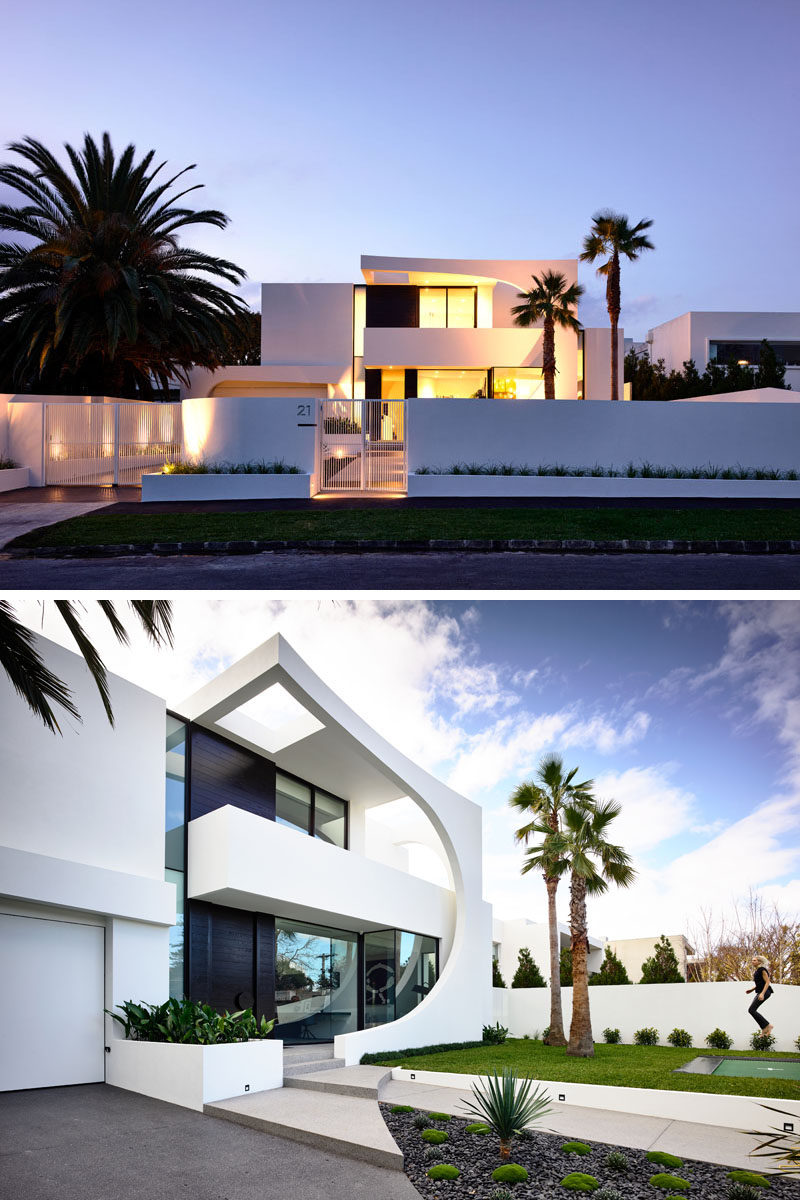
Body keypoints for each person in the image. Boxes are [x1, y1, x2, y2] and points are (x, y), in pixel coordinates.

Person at [745, 954, 774, 1036]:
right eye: (752, 960)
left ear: (759, 962)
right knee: (751, 1010)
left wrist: (762, 993)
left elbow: (767, 982)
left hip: (765, 992)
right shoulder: (757, 971)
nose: (752, 961)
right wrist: (752, 989)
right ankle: (765, 1028)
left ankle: (767, 1026)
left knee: (751, 1010)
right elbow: (760, 983)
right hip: (760, 992)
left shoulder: (762, 970)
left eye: (754, 960)